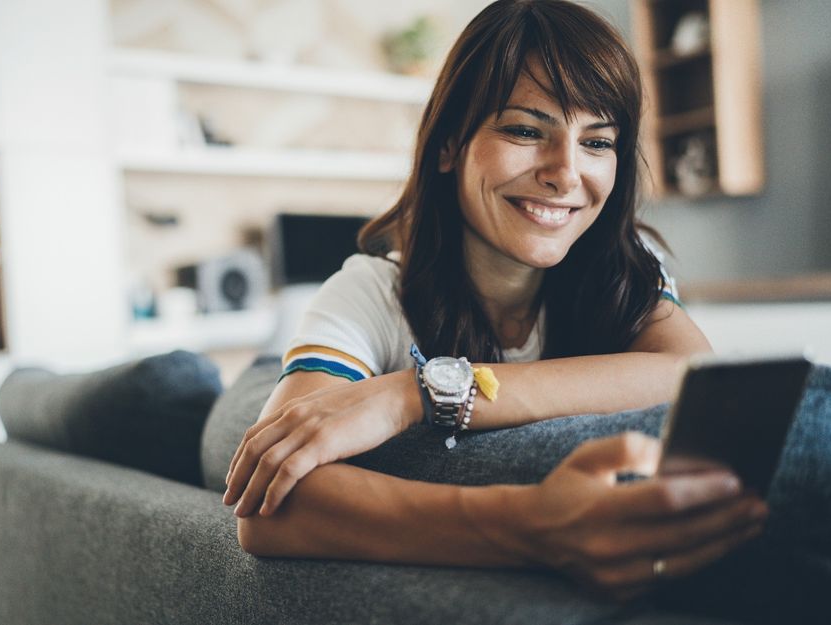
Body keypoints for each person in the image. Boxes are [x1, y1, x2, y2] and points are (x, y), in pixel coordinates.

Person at [222, 0, 767, 602]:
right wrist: (534, 524)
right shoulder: (371, 289)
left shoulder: (626, 266)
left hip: (379, 383)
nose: (566, 173)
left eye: (598, 141)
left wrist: (417, 393)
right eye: (526, 130)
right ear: (450, 144)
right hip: (263, 386)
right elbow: (270, 509)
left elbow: (690, 372)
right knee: (223, 410)